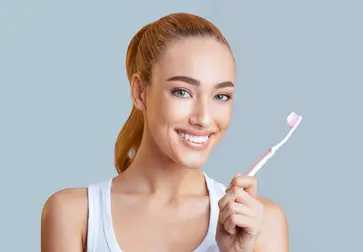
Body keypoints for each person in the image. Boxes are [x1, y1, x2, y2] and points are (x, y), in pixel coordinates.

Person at [40, 12, 289, 252]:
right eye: (182, 92)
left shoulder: (262, 224)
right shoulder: (75, 215)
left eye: (221, 96)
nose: (203, 118)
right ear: (140, 92)